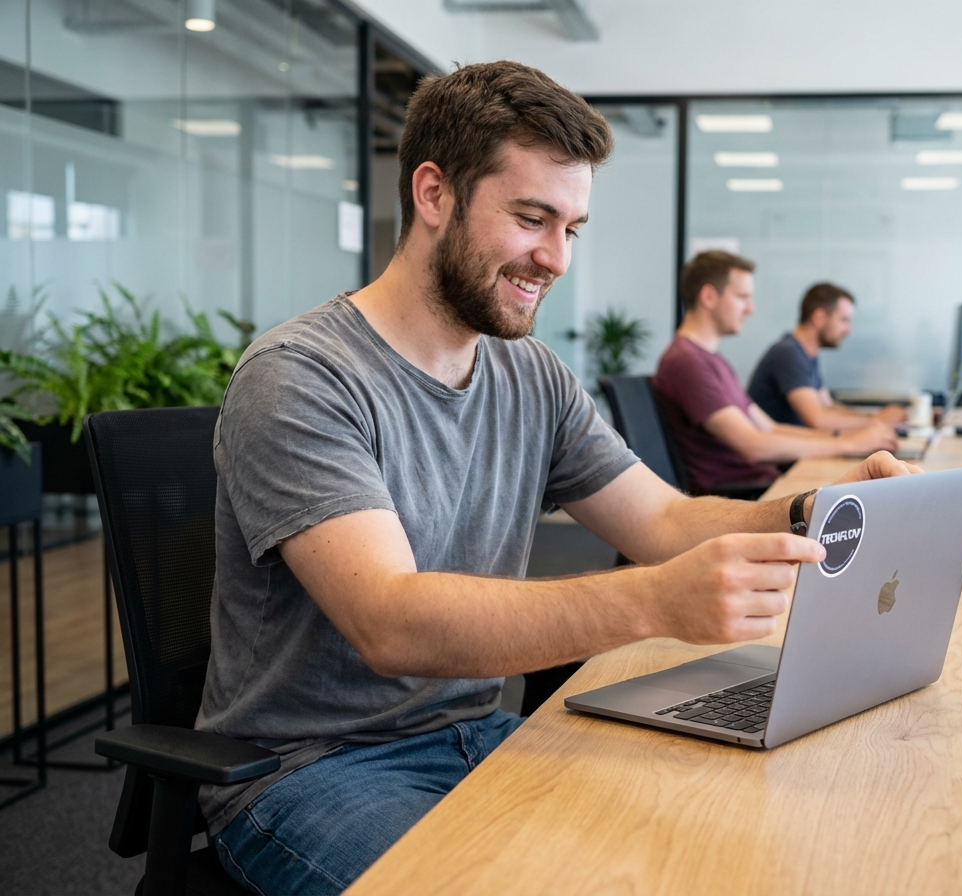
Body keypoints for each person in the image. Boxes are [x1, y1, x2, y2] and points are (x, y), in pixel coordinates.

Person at [196, 62, 917, 896]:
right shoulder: (302, 377)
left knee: (706, 846)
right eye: (532, 219)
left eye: (572, 227)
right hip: (304, 772)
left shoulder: (528, 374)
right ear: (434, 194)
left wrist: (810, 510)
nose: (556, 258)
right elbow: (391, 622)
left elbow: (666, 523)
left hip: (470, 735)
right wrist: (652, 603)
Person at [652, 252, 899, 494]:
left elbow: (768, 428)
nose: (751, 308)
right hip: (742, 495)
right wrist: (848, 443)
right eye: (742, 297)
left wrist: (845, 437)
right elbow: (753, 445)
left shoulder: (712, 360)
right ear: (708, 296)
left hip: (763, 481)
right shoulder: (687, 363)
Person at [748, 283, 908, 431]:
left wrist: (874, 418)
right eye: (843, 320)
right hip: (778, 460)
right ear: (819, 318)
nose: (848, 330)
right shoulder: (787, 353)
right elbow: (818, 419)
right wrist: (877, 421)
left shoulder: (806, 354)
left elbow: (827, 406)